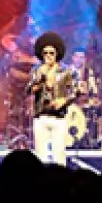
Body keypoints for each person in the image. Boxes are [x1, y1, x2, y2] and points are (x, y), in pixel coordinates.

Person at [26, 31, 74, 165]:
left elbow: (75, 91)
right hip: (41, 117)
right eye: (45, 53)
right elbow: (29, 89)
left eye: (51, 53)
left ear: (57, 54)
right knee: (40, 156)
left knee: (59, 155)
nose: (48, 56)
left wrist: (64, 100)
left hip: (59, 118)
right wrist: (40, 79)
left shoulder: (65, 72)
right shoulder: (37, 71)